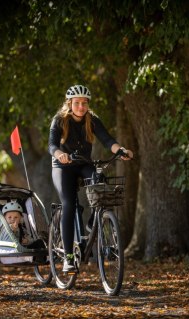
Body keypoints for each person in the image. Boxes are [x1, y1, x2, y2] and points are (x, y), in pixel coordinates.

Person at [48, 84, 133, 272]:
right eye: (77, 103)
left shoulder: (91, 120)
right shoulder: (59, 120)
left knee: (100, 181)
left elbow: (108, 140)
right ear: (69, 103)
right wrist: (60, 154)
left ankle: (94, 220)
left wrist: (120, 150)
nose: (81, 107)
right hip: (63, 166)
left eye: (84, 103)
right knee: (69, 204)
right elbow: (52, 146)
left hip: (84, 164)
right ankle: (69, 258)